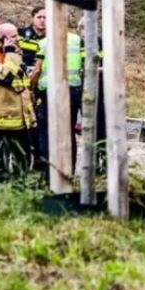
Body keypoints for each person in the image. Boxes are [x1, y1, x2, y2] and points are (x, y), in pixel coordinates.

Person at [0, 23, 36, 177]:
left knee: (23, 158)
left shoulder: (15, 57)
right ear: (3, 40)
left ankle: (20, 182)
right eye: (13, 36)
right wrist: (11, 54)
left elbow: (22, 87)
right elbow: (6, 77)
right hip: (0, 120)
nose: (18, 39)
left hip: (19, 119)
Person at [31, 25, 83, 177]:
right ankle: (68, 171)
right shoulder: (77, 40)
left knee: (47, 132)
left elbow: (37, 70)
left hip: (50, 93)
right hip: (72, 91)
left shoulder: (43, 43)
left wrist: (31, 88)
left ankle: (49, 174)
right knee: (68, 132)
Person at [18, 6, 46, 72]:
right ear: (32, 18)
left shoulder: (52, 38)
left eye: (45, 17)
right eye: (39, 17)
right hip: (25, 72)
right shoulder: (21, 34)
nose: (42, 20)